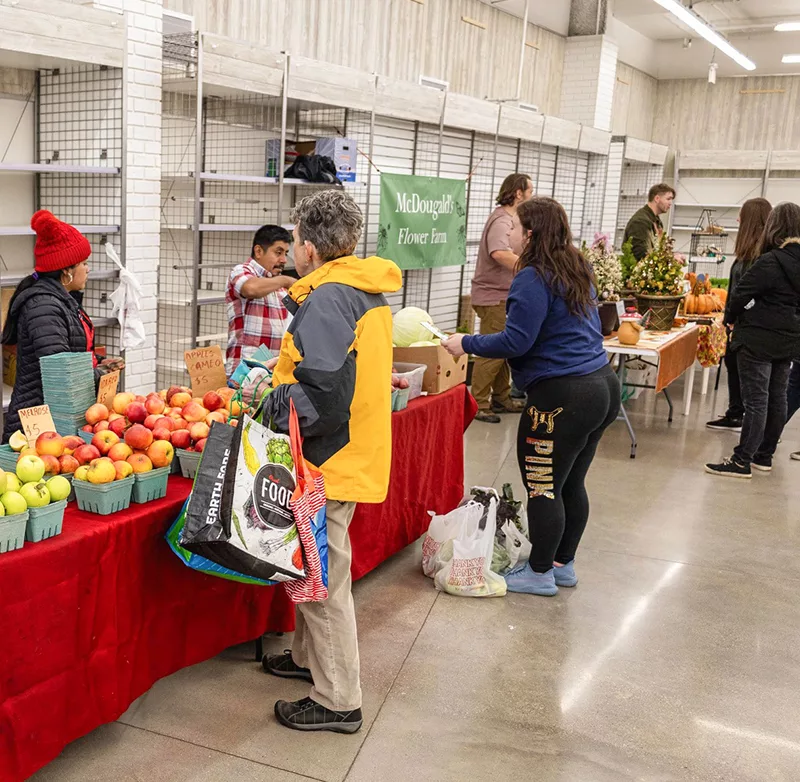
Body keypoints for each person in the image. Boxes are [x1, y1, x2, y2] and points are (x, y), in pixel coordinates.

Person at [261, 190, 401, 732]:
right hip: (353, 451)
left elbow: (320, 397)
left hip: (325, 461)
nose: (291, 249)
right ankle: (306, 661)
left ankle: (339, 697)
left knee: (320, 580)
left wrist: (268, 402)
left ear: (311, 247)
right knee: (313, 564)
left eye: (294, 239)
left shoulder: (327, 299)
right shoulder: (365, 290)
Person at [443, 196, 620, 597]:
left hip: (561, 398)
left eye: (517, 227)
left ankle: (540, 572)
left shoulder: (533, 276)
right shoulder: (576, 264)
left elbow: (516, 341)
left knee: (543, 486)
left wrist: (464, 342)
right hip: (601, 386)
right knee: (571, 483)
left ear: (531, 232)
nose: (511, 233)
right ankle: (562, 564)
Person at [2, 211, 120, 442]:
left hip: (55, 415)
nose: (88, 269)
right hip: (39, 422)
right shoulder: (44, 307)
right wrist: (99, 375)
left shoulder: (62, 299)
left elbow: (69, 352)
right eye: (84, 263)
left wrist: (97, 363)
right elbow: (60, 371)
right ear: (66, 269)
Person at [706, 202, 800, 478]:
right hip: (788, 340)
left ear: (775, 226)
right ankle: (764, 456)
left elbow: (739, 295)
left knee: (756, 401)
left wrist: (731, 318)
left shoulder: (770, 261)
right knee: (778, 398)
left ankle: (741, 460)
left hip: (757, 339)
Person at [470, 172, 532, 423]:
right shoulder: (501, 220)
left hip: (504, 295)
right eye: (530, 190)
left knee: (504, 348)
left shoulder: (513, 219)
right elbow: (498, 252)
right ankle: (479, 404)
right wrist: (529, 269)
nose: (532, 195)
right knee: (492, 352)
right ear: (518, 193)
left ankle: (501, 398)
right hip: (492, 297)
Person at [706, 198, 772, 432]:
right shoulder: (749, 253)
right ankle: (735, 411)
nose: (737, 220)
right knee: (733, 366)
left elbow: (749, 293)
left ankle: (744, 420)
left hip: (747, 326)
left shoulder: (758, 256)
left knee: (749, 377)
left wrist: (734, 317)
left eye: (741, 216)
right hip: (739, 322)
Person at [225, 224, 296, 375]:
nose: (284, 260)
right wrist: (285, 281)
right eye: (278, 253)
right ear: (258, 251)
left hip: (270, 372)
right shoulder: (241, 271)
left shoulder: (278, 287)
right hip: (243, 373)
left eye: (286, 253)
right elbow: (250, 288)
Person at [623, 183, 676, 262]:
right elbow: (641, 254)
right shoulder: (640, 222)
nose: (670, 203)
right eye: (668, 199)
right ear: (657, 199)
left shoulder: (656, 221)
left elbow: (658, 249)